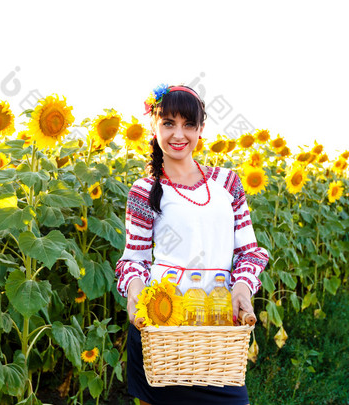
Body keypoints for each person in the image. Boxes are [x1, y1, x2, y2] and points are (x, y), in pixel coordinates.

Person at [114, 84, 269, 405]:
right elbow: (134, 260)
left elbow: (249, 252)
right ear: (154, 126)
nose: (178, 134)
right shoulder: (144, 190)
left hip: (216, 327)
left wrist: (242, 290)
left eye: (188, 124)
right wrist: (134, 296)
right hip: (161, 330)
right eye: (168, 123)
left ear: (201, 128)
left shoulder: (227, 182)